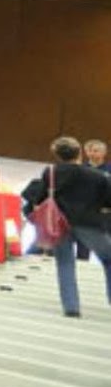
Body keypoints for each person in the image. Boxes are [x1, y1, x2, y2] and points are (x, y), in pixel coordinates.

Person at [21, 136, 111, 317]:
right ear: (80, 153)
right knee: (108, 259)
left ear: (56, 154)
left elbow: (39, 198)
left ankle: (71, 307)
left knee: (65, 263)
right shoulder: (98, 176)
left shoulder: (51, 172)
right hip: (90, 224)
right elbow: (107, 202)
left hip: (59, 224)